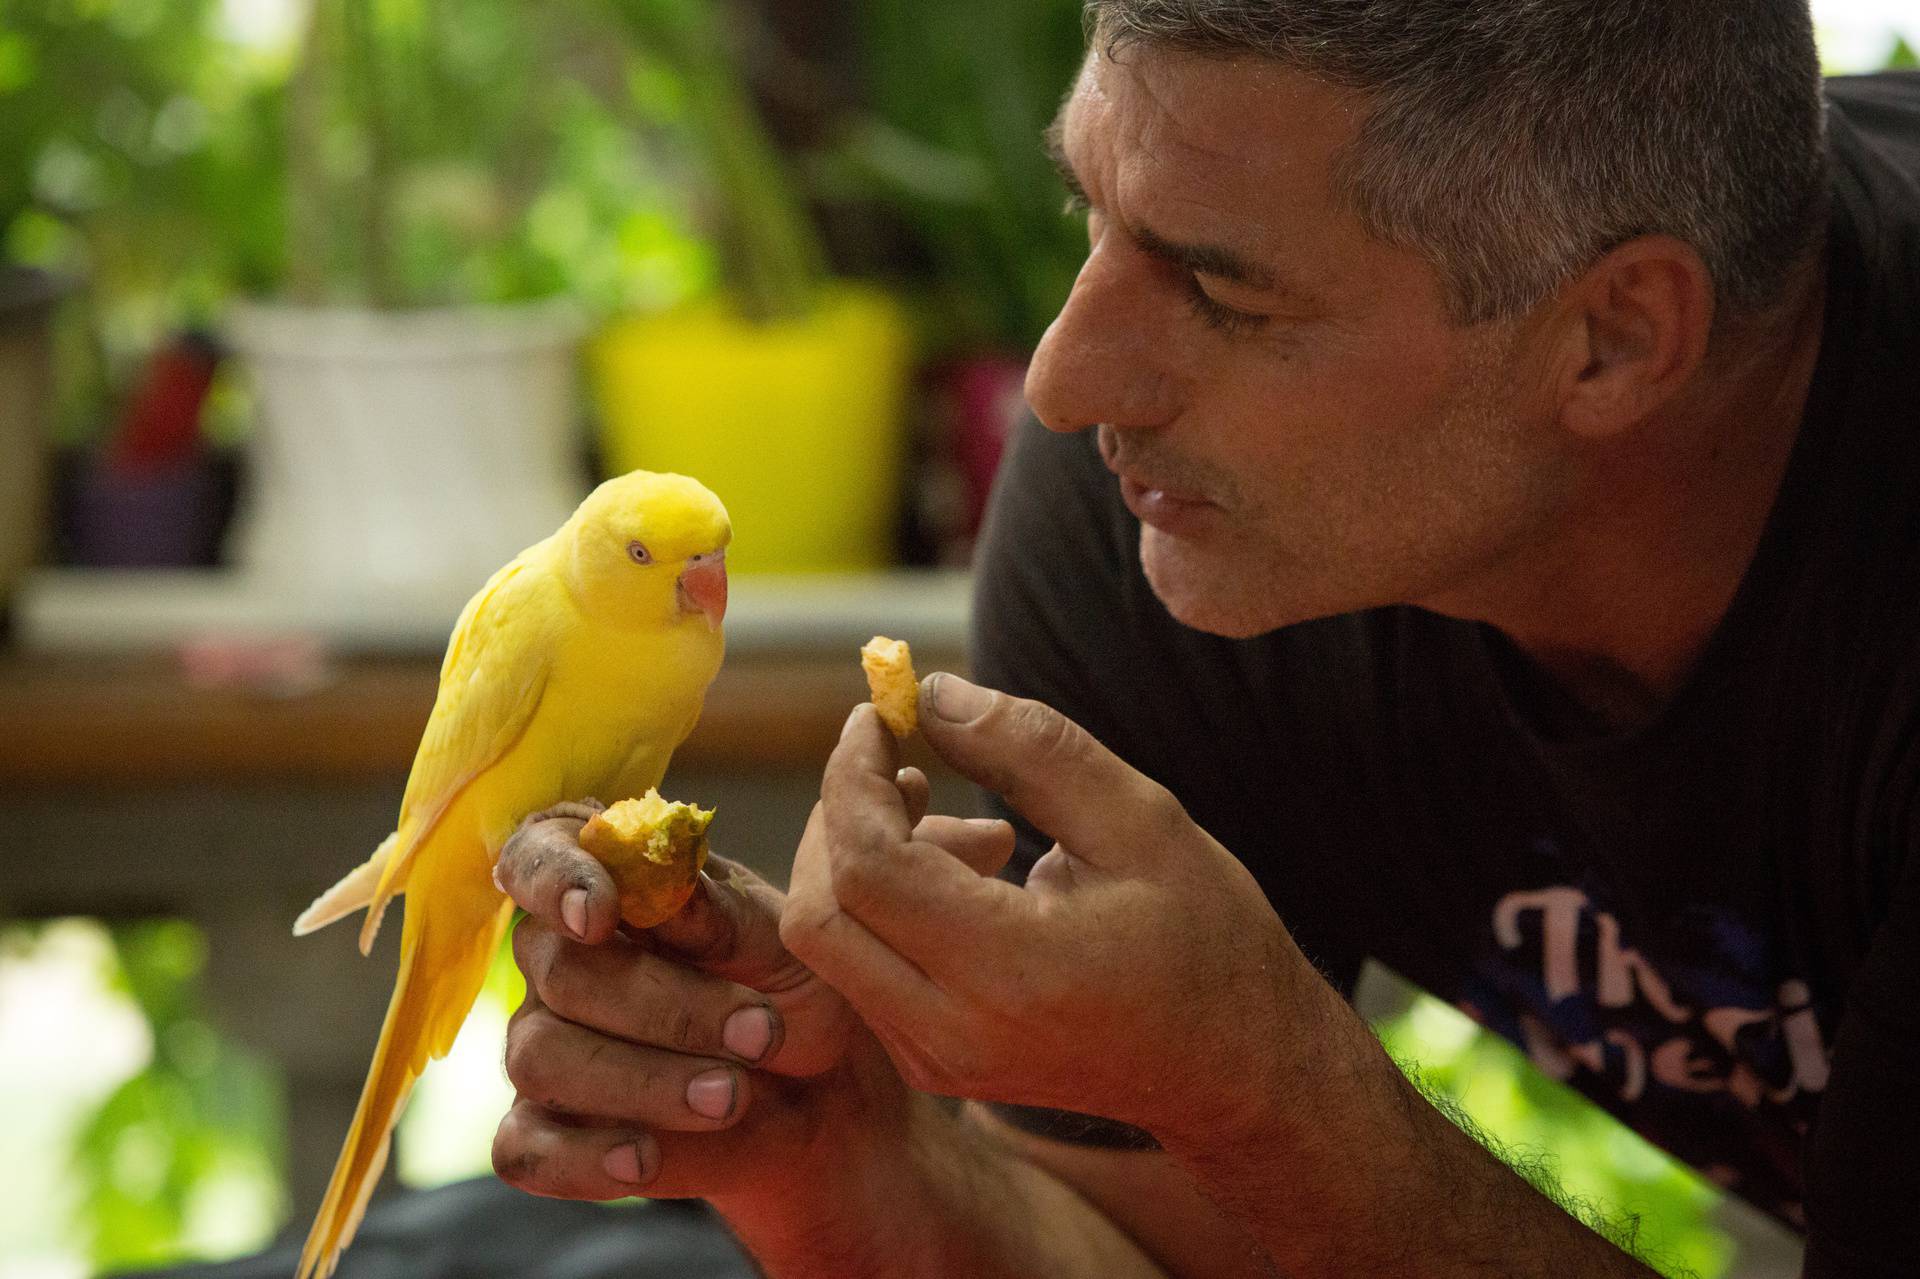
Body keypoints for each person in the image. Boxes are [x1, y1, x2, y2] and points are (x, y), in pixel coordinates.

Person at [489, 2, 1920, 1275]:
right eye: (1088, 218)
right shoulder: (1166, 521)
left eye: (1224, 292)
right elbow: (1146, 1253)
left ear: (1612, 339)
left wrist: (1267, 1087)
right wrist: (847, 1169)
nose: (1063, 381)